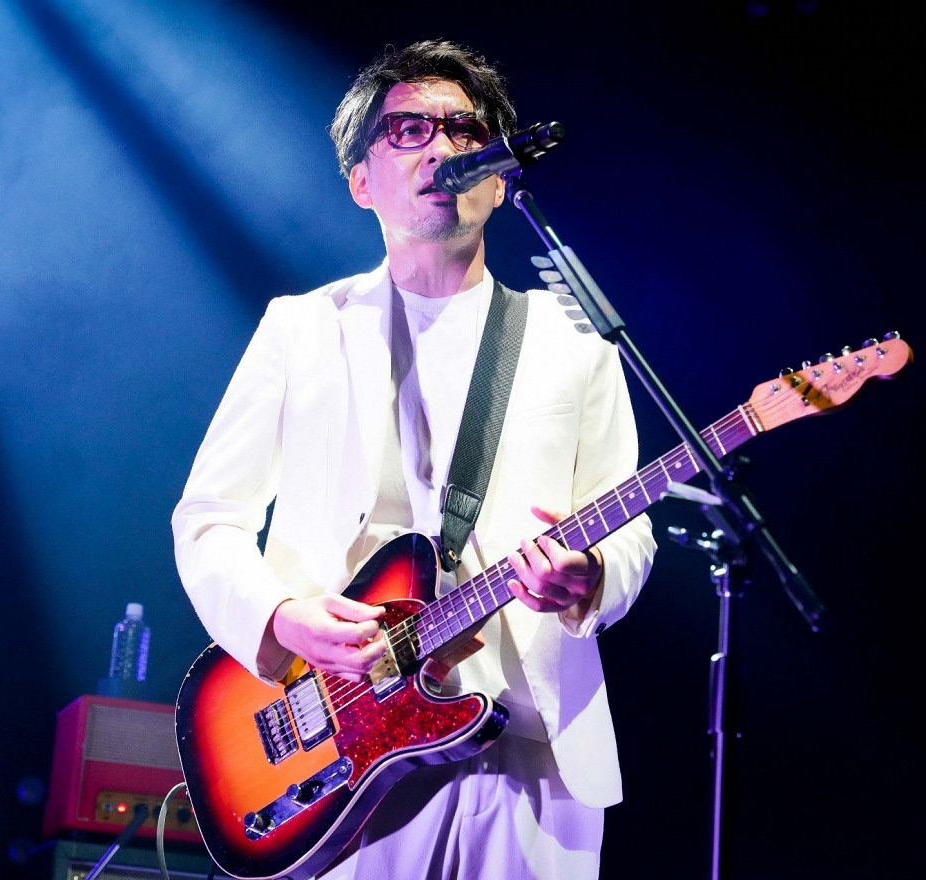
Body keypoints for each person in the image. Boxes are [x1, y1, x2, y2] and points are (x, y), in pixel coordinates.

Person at [171, 39, 656, 880]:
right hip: (344, 745)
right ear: (361, 181)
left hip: (533, 753)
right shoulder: (302, 328)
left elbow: (630, 524)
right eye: (407, 131)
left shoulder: (576, 338)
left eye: (464, 131)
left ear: (498, 178)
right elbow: (209, 519)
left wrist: (591, 578)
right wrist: (281, 619)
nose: (440, 149)